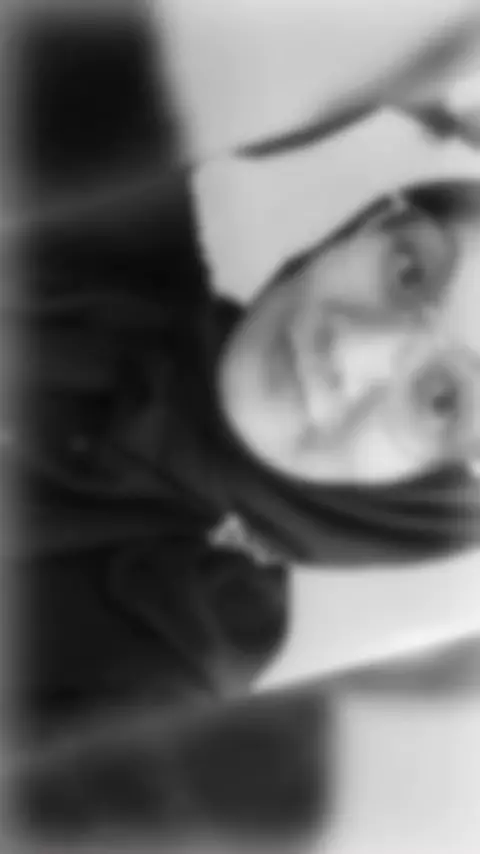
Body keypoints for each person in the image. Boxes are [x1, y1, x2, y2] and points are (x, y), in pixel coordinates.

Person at [6, 2, 480, 846]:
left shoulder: (162, 679)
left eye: (441, 399)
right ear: (369, 227)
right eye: (409, 268)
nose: (350, 349)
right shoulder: (112, 203)